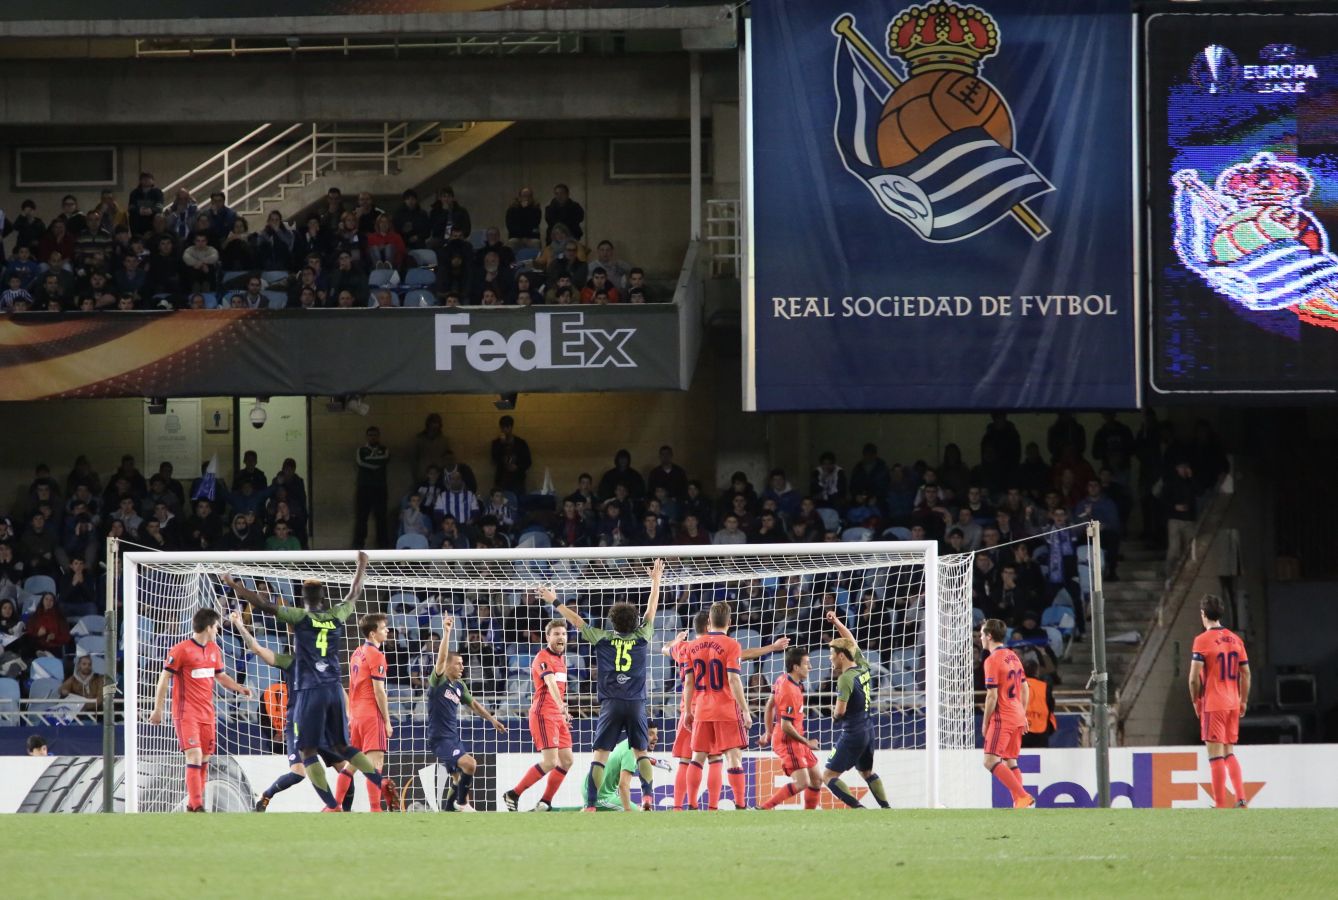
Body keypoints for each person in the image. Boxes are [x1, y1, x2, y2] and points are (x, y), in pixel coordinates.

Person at [225, 552, 391, 812]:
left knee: (325, 763)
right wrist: (362, 565)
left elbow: (263, 611)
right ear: (323, 599)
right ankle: (271, 795)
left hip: (311, 707)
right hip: (325, 699)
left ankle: (336, 809)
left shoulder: (299, 625)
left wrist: (235, 586)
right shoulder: (334, 617)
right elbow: (354, 593)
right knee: (319, 767)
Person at [228, 612, 373, 813]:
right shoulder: (290, 662)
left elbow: (338, 688)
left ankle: (345, 815)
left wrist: (349, 714)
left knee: (346, 772)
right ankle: (267, 795)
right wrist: (239, 625)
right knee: (298, 773)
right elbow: (257, 649)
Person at [552, 558, 663, 812]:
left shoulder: (602, 637)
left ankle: (590, 805)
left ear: (613, 622)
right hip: (636, 703)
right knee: (640, 752)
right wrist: (655, 582)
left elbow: (577, 621)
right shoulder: (642, 636)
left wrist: (555, 601)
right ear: (635, 622)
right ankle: (647, 797)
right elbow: (651, 610)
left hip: (611, 703)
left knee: (600, 756)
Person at [148, 608, 252, 812]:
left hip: (208, 713)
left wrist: (239, 687)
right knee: (194, 756)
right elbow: (164, 678)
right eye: (216, 627)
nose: (218, 630)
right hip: (186, 713)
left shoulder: (214, 650)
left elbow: (220, 676)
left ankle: (193, 803)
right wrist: (157, 708)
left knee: (204, 758)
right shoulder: (181, 650)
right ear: (208, 627)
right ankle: (196, 805)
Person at [428, 615, 507, 812]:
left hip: (453, 737)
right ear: (446, 666)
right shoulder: (438, 681)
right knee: (470, 765)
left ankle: (448, 810)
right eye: (458, 664)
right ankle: (462, 803)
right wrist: (447, 632)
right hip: (439, 739)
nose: (462, 667)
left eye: (463, 664)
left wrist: (492, 719)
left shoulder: (459, 686)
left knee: (457, 777)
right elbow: (441, 658)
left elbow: (474, 705)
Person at [681, 601, 752, 811]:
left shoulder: (691, 646)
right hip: (726, 709)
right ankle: (740, 804)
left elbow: (688, 682)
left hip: (701, 708)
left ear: (709, 621)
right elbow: (733, 680)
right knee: (733, 756)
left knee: (697, 757)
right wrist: (745, 710)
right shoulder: (732, 645)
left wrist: (687, 710)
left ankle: (691, 804)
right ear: (730, 622)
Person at [818, 611, 891, 809]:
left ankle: (859, 809)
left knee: (828, 776)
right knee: (866, 773)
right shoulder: (862, 665)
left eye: (832, 654)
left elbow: (840, 712)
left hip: (853, 733)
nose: (830, 658)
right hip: (868, 729)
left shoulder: (845, 679)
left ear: (841, 656)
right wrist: (837, 623)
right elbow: (850, 639)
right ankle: (886, 809)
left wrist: (833, 714)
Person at [503, 619, 573, 812]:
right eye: (556, 634)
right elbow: (549, 682)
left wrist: (562, 712)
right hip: (543, 714)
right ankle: (513, 794)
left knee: (567, 760)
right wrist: (561, 706)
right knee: (550, 761)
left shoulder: (562, 660)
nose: (561, 637)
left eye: (563, 634)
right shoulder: (542, 657)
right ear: (547, 637)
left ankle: (545, 802)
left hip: (558, 715)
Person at [1189, 594, 1251, 808]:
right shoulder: (1236, 639)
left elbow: (1192, 678)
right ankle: (1241, 799)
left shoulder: (1202, 640)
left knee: (1214, 755)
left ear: (1203, 615)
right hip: (1233, 702)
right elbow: (1246, 673)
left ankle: (1220, 804)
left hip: (1213, 703)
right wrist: (1243, 700)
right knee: (1229, 752)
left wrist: (1196, 701)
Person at [979, 617, 1034, 809]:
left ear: (989, 636)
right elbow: (1026, 687)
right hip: (1017, 715)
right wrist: (1023, 713)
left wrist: (985, 722)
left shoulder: (992, 660)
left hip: (1003, 717)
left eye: (982, 634)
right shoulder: (1013, 656)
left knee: (990, 760)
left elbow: (992, 696)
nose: (980, 638)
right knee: (1011, 761)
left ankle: (1023, 795)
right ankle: (1020, 802)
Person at [759, 647, 823, 810]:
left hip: (795, 737)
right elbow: (787, 727)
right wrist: (806, 742)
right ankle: (764, 808)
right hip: (789, 740)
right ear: (796, 667)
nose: (810, 667)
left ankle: (809, 817)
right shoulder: (790, 691)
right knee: (803, 782)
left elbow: (770, 705)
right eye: (807, 664)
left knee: (816, 779)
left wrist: (768, 731)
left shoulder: (783, 679)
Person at [345, 613, 395, 812]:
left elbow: (351, 685)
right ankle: (375, 809)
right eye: (384, 628)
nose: (388, 630)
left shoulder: (357, 652)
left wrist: (351, 713)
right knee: (376, 763)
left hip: (356, 715)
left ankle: (334, 805)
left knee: (353, 764)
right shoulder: (376, 655)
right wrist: (387, 721)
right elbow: (379, 692)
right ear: (373, 633)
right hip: (370, 714)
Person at [594, 724, 661, 811]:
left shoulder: (629, 743)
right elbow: (623, 785)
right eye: (651, 734)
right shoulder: (631, 752)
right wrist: (628, 810)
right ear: (641, 734)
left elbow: (641, 764)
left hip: (594, 787)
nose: (656, 738)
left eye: (656, 734)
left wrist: (653, 761)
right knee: (637, 814)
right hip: (600, 794)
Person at [354, 426, 390, 549]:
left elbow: (384, 460)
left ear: (378, 436)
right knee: (361, 518)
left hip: (380, 488)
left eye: (375, 435)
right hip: (364, 487)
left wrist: (370, 460)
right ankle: (358, 547)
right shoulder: (361, 450)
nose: (373, 437)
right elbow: (361, 462)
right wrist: (375, 462)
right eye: (370, 435)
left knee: (381, 518)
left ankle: (383, 547)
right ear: (367, 436)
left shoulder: (385, 449)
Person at [490, 415, 532, 495]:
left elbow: (528, 461)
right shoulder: (496, 443)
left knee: (518, 502)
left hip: (517, 480)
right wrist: (501, 445)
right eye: (503, 427)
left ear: (511, 427)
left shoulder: (521, 443)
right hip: (502, 479)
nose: (505, 430)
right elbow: (495, 459)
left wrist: (517, 467)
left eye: (507, 427)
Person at [1021, 656, 1056, 748]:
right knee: (1041, 758)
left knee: (1020, 759)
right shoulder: (1045, 687)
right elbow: (1051, 706)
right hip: (1040, 730)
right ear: (1037, 671)